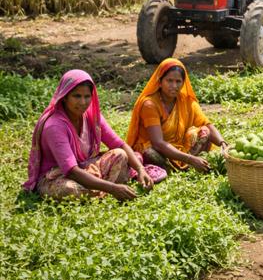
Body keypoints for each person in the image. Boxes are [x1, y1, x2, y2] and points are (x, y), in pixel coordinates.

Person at [22, 70, 161, 200]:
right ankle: (106, 188)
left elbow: (119, 145)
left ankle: (98, 188)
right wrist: (112, 188)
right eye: (77, 96)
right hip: (57, 176)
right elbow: (71, 171)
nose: (83, 102)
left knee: (120, 154)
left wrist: (140, 169)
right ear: (65, 97)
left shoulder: (92, 117)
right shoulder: (54, 126)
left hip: (85, 168)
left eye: (87, 96)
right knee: (68, 189)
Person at [127, 58, 228, 173]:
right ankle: (182, 166)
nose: (174, 86)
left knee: (204, 131)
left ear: (183, 83)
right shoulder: (150, 104)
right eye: (169, 81)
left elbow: (206, 124)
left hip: (179, 148)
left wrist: (222, 143)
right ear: (160, 82)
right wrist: (190, 159)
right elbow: (158, 142)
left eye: (178, 81)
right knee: (150, 153)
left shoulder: (186, 101)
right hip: (157, 149)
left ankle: (183, 166)